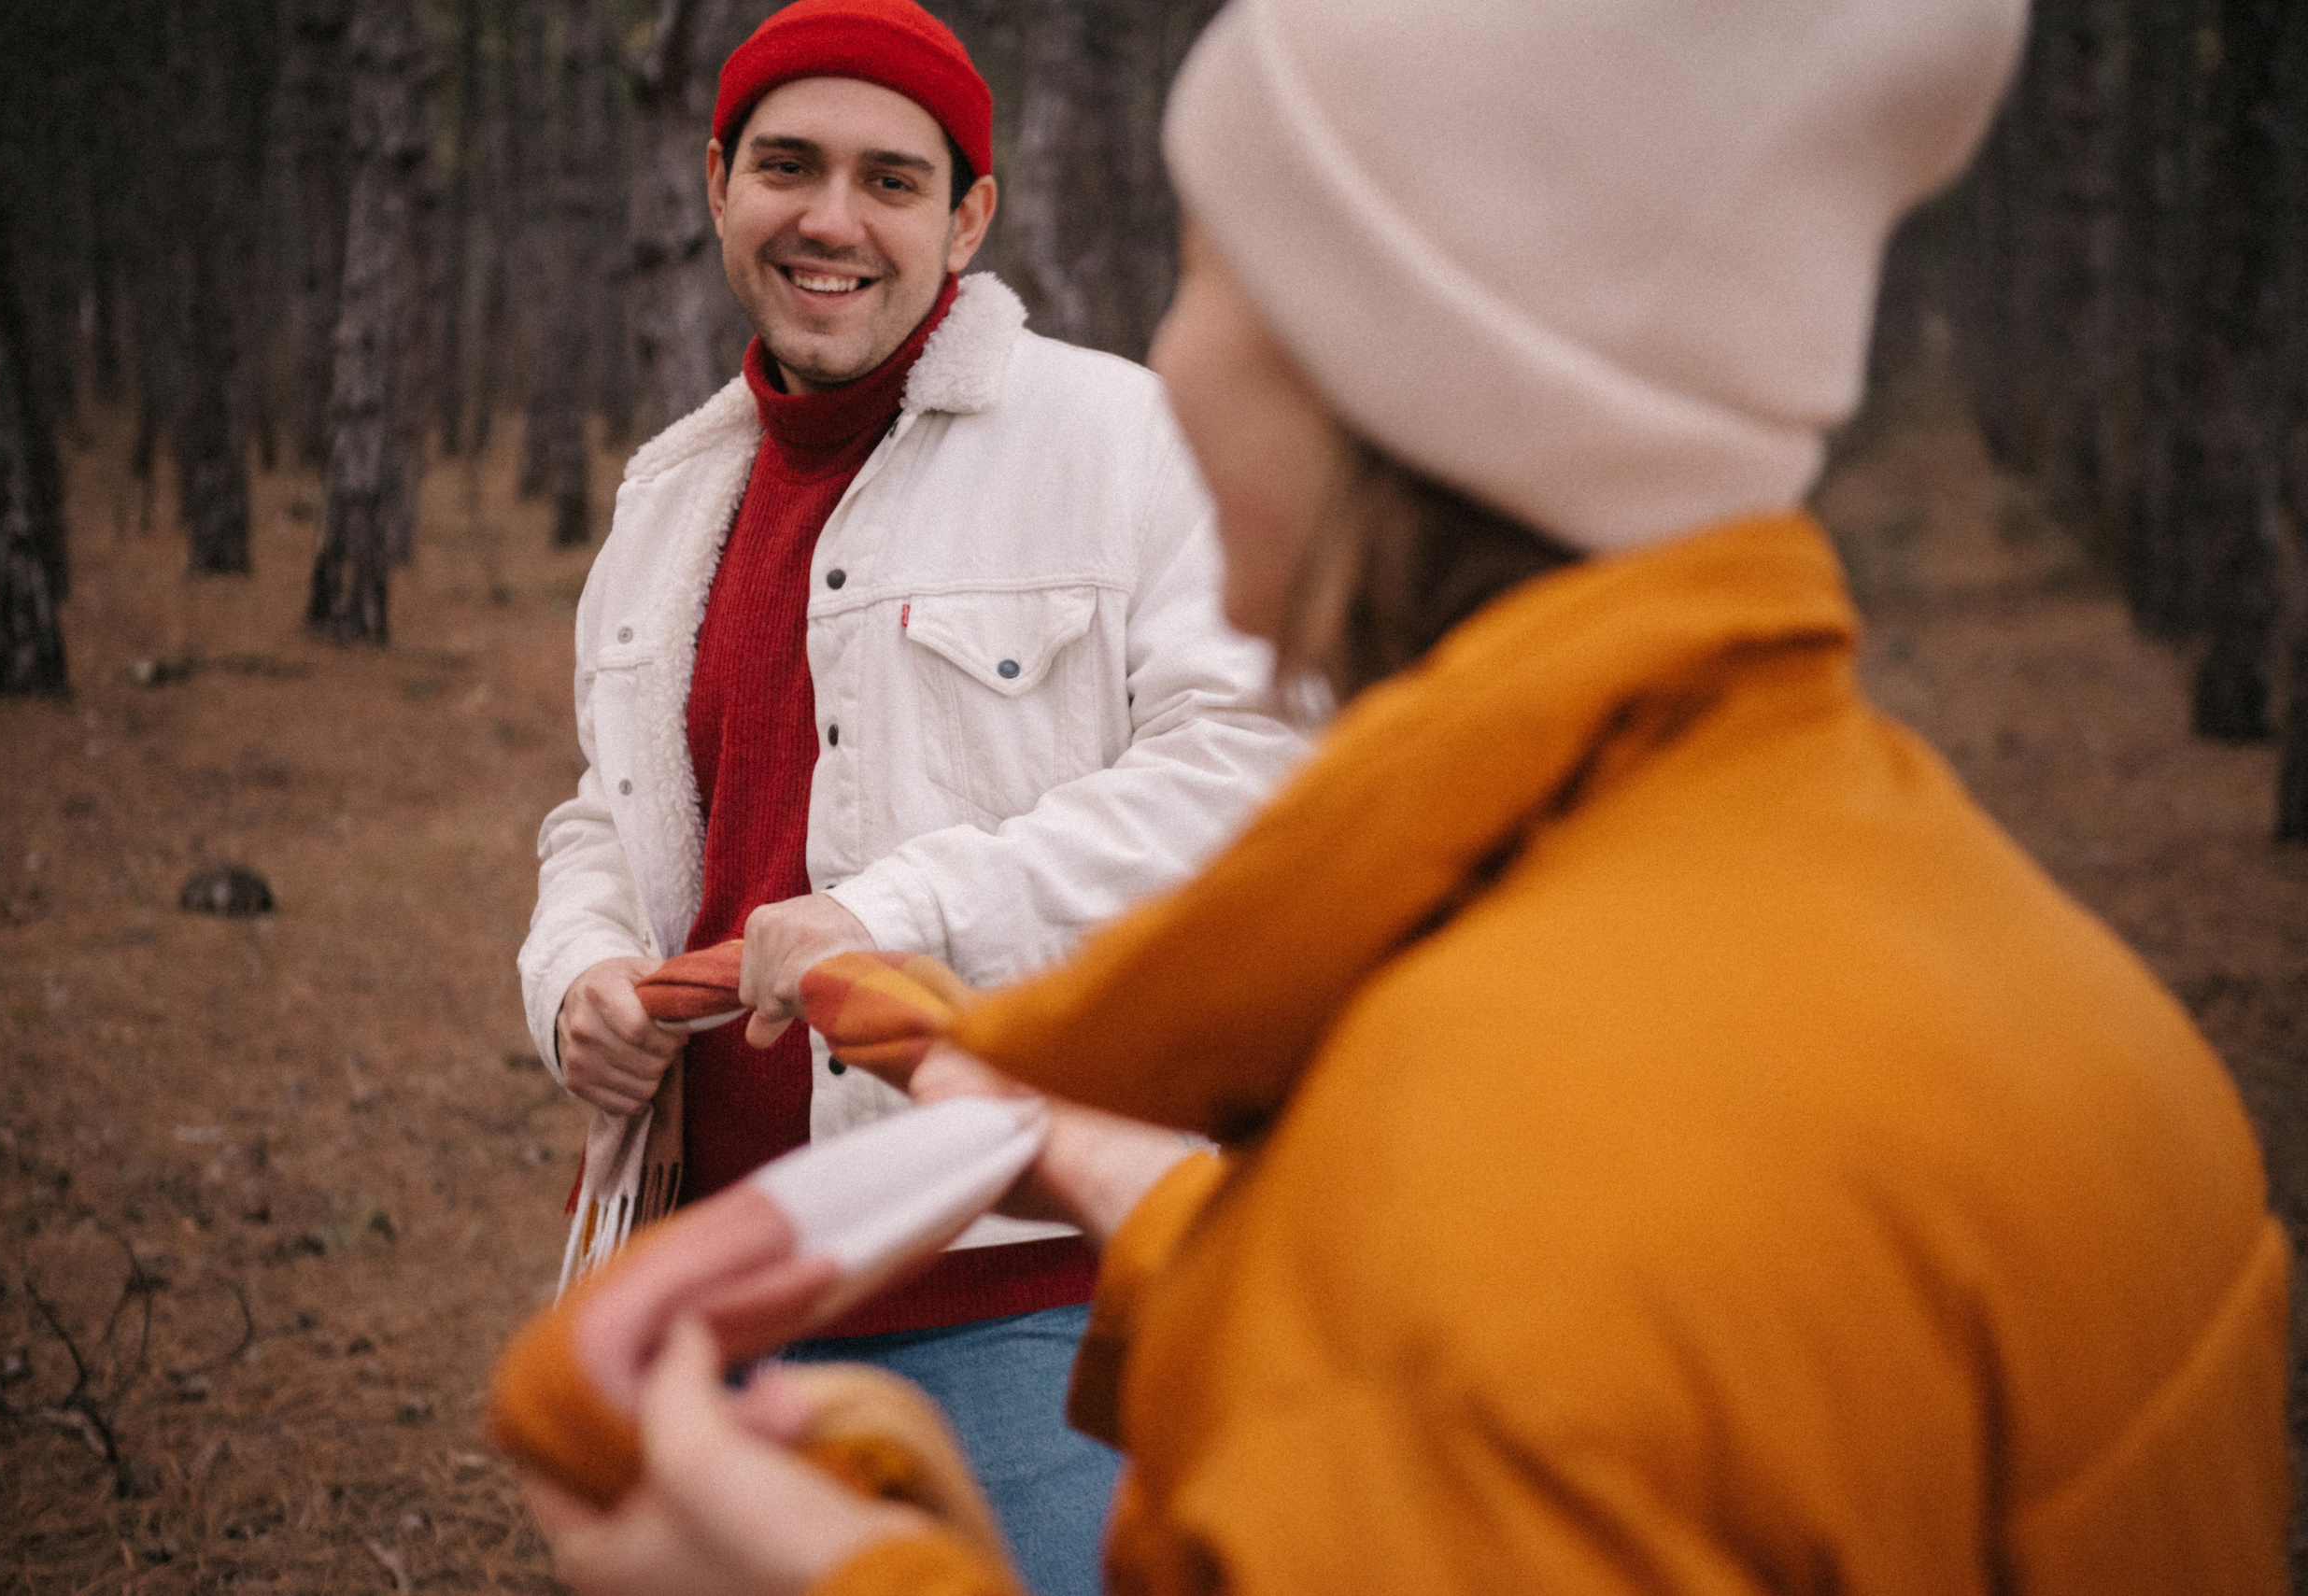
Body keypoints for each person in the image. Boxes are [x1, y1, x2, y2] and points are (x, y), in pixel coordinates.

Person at [523, 0, 2293, 1591]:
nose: (1175, 357)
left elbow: (1491, 1326)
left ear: (1361, 375)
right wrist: (1181, 1215)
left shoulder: (1462, 1180)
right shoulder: (2040, 986)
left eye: (1213, 276)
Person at [514, 2, 1299, 1591]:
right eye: (788, 167)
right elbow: (609, 808)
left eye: (891, 179)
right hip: (708, 1287)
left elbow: (1248, 772)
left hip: (1025, 1297)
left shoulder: (1124, 438)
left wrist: (903, 916)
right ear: (717, 180)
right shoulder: (671, 494)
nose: (832, 220)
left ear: (969, 215)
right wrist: (575, 975)